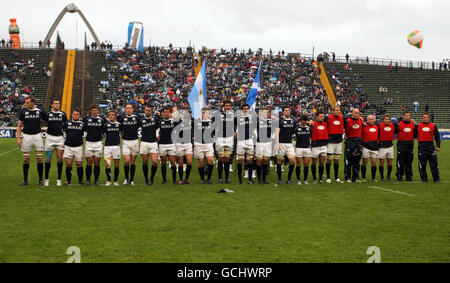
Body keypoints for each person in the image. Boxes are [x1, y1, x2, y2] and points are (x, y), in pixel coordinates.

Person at [17, 95, 46, 186]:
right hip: (26, 137)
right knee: (26, 159)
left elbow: (46, 119)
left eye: (28, 102)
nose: (26, 104)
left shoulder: (40, 111)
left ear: (33, 102)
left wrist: (43, 127)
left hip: (37, 136)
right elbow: (19, 126)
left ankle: (40, 180)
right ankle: (25, 180)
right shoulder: (23, 111)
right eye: (25, 102)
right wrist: (18, 139)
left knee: (39, 158)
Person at [43, 99, 67, 186]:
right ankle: (46, 178)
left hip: (59, 138)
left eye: (58, 103)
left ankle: (59, 179)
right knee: (48, 159)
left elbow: (65, 124)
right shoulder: (48, 114)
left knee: (60, 159)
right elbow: (43, 122)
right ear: (52, 105)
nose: (57, 105)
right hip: (49, 138)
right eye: (55, 103)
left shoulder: (63, 114)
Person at [213, 101, 236, 184]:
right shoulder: (218, 114)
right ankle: (220, 178)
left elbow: (238, 124)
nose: (228, 107)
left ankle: (226, 178)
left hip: (229, 138)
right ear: (223, 106)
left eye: (229, 106)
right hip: (220, 138)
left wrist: (236, 131)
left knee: (227, 158)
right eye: (226, 106)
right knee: (220, 158)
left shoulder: (233, 115)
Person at [119, 103, 141, 185]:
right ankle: (126, 178)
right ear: (125, 109)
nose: (128, 109)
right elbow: (120, 128)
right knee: (127, 161)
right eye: (127, 108)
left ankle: (131, 180)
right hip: (125, 142)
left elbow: (140, 125)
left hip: (135, 141)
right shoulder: (121, 118)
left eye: (130, 108)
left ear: (133, 109)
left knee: (133, 161)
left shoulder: (137, 118)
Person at [83, 104, 105, 186]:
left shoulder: (102, 119)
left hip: (98, 143)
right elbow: (84, 128)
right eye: (93, 110)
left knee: (97, 162)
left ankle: (96, 180)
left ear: (98, 111)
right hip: (89, 142)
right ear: (90, 111)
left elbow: (104, 128)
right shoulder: (86, 119)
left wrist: (102, 133)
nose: (94, 112)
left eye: (96, 110)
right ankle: (88, 180)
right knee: (89, 162)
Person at [63, 109, 85, 186]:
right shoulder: (67, 123)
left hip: (79, 147)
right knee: (68, 164)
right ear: (72, 115)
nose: (75, 115)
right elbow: (63, 131)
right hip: (68, 146)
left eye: (77, 114)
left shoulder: (82, 124)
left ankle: (80, 181)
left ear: (79, 116)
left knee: (79, 164)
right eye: (74, 114)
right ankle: (68, 181)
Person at [416, 113, 441, 183]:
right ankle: (424, 179)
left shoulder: (433, 125)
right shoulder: (418, 126)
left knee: (434, 164)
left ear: (429, 118)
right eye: (424, 117)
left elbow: (437, 136)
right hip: (422, 146)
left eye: (427, 117)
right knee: (422, 164)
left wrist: (438, 146)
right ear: (422, 118)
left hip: (430, 146)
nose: (425, 118)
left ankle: (436, 179)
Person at [236, 104, 257, 184]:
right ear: (242, 110)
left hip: (249, 140)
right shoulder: (238, 118)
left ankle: (250, 179)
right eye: (244, 108)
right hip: (241, 141)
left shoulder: (252, 118)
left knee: (250, 160)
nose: (246, 110)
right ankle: (240, 180)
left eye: (247, 109)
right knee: (240, 160)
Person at [275, 106, 296, 185]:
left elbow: (295, 132)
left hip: (289, 144)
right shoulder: (280, 121)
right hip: (281, 144)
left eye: (288, 110)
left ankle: (289, 179)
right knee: (279, 161)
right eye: (286, 110)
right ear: (283, 112)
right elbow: (277, 133)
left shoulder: (293, 121)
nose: (287, 112)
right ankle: (279, 179)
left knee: (292, 160)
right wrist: (277, 144)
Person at [140, 105, 160, 186]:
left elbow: (161, 126)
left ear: (151, 111)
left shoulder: (155, 119)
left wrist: (158, 134)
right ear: (144, 111)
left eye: (149, 110)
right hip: (144, 142)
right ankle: (146, 179)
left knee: (155, 162)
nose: (147, 112)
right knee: (145, 162)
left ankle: (151, 178)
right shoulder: (141, 120)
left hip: (153, 143)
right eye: (146, 110)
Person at [193, 108, 215, 184]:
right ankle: (202, 178)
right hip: (199, 144)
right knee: (201, 162)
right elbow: (191, 130)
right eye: (203, 113)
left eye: (206, 113)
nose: (204, 114)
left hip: (208, 143)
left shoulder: (211, 122)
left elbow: (214, 132)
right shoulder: (196, 121)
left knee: (211, 160)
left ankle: (209, 178)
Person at [158, 106, 178, 185]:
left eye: (168, 112)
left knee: (173, 162)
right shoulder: (159, 122)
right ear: (163, 113)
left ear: (170, 113)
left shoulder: (174, 122)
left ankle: (174, 180)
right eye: (165, 112)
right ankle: (164, 180)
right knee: (163, 163)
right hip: (162, 144)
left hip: (171, 144)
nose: (166, 114)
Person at [325, 106, 344, 183]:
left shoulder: (342, 118)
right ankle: (328, 177)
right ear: (333, 111)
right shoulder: (328, 118)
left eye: (339, 110)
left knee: (336, 160)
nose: (338, 112)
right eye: (336, 110)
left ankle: (336, 177)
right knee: (329, 159)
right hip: (330, 142)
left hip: (339, 142)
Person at [255, 107, 274, 185]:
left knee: (266, 161)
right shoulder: (257, 121)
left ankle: (264, 179)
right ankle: (259, 179)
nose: (267, 113)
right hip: (259, 143)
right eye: (265, 112)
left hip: (268, 143)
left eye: (268, 112)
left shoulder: (271, 121)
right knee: (259, 161)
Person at [344, 108, 363, 183]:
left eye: (358, 113)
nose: (357, 114)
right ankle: (347, 177)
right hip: (350, 142)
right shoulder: (347, 120)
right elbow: (343, 118)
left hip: (358, 142)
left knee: (357, 162)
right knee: (348, 161)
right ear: (352, 113)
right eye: (355, 113)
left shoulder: (361, 121)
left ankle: (356, 178)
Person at [174, 110, 194, 185]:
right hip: (179, 144)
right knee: (181, 163)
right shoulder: (178, 122)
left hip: (188, 144)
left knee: (189, 162)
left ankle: (187, 178)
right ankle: (181, 179)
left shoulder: (192, 122)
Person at [396, 111, 415, 182]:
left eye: (408, 115)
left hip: (410, 145)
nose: (407, 116)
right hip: (401, 145)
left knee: (409, 161)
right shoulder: (399, 124)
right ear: (403, 116)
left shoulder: (413, 124)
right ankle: (399, 175)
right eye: (406, 115)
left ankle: (409, 176)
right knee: (400, 161)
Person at [103, 110, 121, 186]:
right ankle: (109, 180)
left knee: (116, 164)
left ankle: (116, 181)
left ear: (115, 116)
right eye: (110, 115)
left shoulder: (119, 125)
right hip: (107, 147)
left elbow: (122, 132)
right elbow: (102, 134)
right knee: (108, 164)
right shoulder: (106, 125)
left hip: (116, 146)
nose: (111, 116)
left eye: (112, 115)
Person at [310, 111, 329, 183]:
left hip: (324, 145)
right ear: (317, 117)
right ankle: (314, 178)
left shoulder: (325, 123)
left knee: (322, 163)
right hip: (315, 145)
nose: (322, 118)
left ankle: (320, 178)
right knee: (314, 163)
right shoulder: (313, 124)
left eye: (323, 116)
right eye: (321, 116)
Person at [294, 115, 312, 185]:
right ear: (300, 121)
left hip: (307, 148)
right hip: (299, 148)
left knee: (306, 164)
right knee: (299, 164)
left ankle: (305, 180)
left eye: (305, 120)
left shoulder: (309, 129)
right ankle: (298, 179)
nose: (304, 122)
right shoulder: (296, 129)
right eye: (303, 120)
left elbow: (311, 136)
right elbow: (295, 137)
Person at [378, 114, 396, 182]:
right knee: (381, 163)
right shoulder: (380, 125)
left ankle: (388, 176)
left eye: (388, 119)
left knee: (390, 163)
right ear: (383, 120)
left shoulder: (393, 125)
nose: (387, 120)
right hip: (382, 147)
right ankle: (382, 177)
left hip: (390, 146)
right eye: (386, 119)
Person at [361, 115, 379, 182]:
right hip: (366, 147)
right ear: (367, 120)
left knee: (374, 162)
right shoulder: (363, 127)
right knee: (365, 162)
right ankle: (363, 177)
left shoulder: (376, 127)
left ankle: (373, 178)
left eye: (373, 119)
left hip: (374, 147)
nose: (373, 120)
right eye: (371, 119)